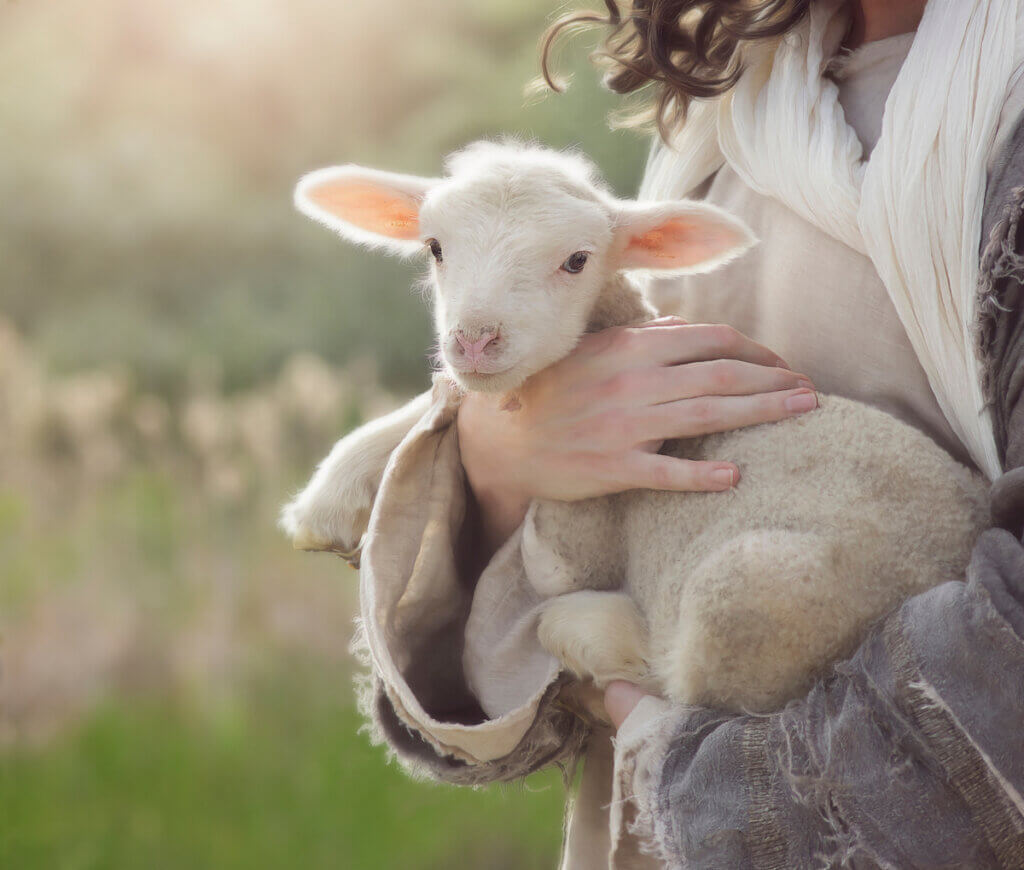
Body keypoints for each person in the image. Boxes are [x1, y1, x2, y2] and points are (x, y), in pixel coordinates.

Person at [347, 0, 1024, 866]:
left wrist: (693, 769)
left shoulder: (999, 121)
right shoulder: (733, 102)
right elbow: (511, 692)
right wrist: (500, 456)